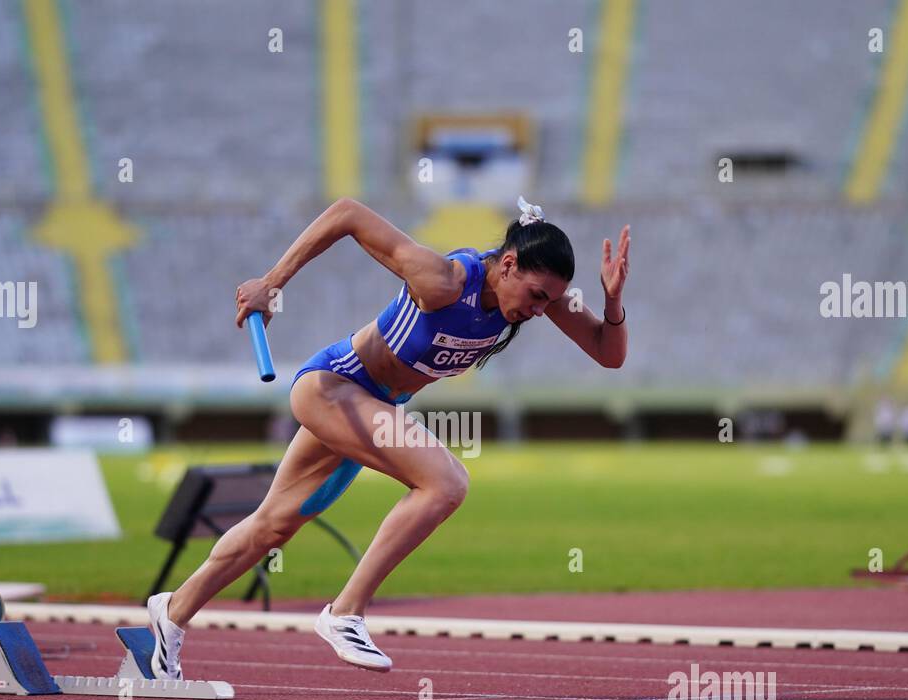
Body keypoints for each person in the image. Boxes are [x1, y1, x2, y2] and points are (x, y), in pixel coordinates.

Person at [146, 196, 630, 675]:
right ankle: (344, 613)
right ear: (508, 265)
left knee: (272, 526)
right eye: (537, 296)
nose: (542, 310)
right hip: (334, 386)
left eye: (550, 299)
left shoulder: (534, 296)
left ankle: (172, 612)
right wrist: (271, 286)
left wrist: (611, 302)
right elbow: (347, 214)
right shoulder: (443, 279)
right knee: (445, 483)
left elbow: (609, 355)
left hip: (373, 406)